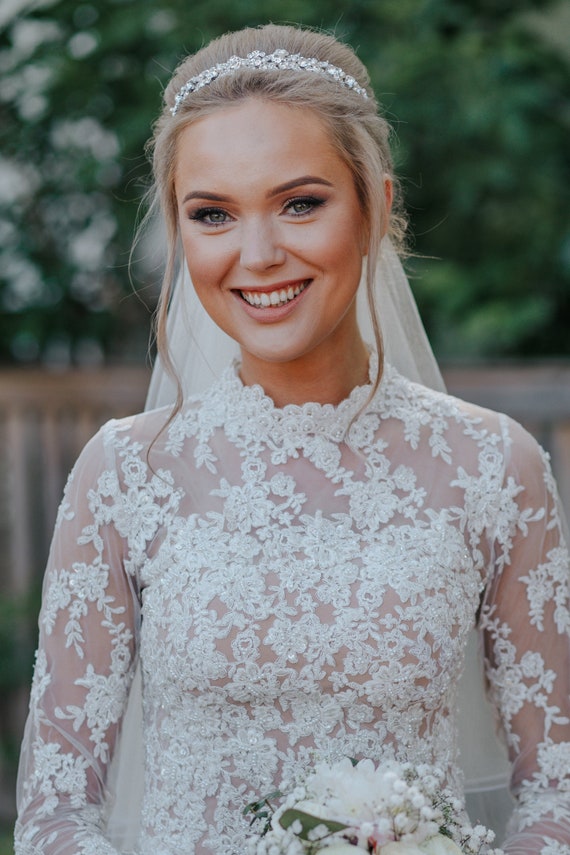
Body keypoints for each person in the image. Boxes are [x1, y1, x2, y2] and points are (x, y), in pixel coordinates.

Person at [14, 22, 570, 855]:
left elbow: (554, 794)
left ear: (378, 204)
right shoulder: (126, 472)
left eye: (300, 203)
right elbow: (54, 815)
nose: (259, 254)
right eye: (212, 214)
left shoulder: (495, 467)